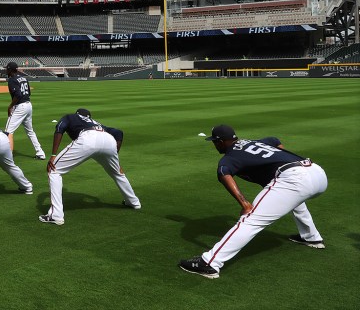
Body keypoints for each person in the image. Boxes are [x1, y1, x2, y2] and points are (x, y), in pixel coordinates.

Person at [178, 124, 327, 279]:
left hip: (294, 178)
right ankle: (311, 237)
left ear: (220, 142)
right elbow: (274, 140)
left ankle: (209, 263)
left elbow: (223, 173)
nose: (215, 145)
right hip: (317, 172)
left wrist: (245, 204)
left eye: (215, 142)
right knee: (294, 198)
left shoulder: (230, 157)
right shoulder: (254, 142)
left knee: (250, 220)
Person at [39, 109, 141, 226]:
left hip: (88, 138)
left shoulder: (70, 117)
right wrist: (114, 155)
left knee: (54, 170)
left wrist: (53, 155)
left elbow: (59, 129)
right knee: (118, 173)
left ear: (77, 114)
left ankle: (56, 215)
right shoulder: (96, 123)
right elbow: (118, 132)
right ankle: (133, 202)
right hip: (108, 140)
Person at [4, 61, 45, 159]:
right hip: (28, 105)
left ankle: (5, 156)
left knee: (8, 132)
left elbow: (18, 94)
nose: (6, 70)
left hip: (20, 107)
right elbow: (28, 93)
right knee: (30, 131)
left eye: (7, 69)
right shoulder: (23, 78)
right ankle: (40, 153)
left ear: (10, 70)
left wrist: (10, 106)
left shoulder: (12, 80)